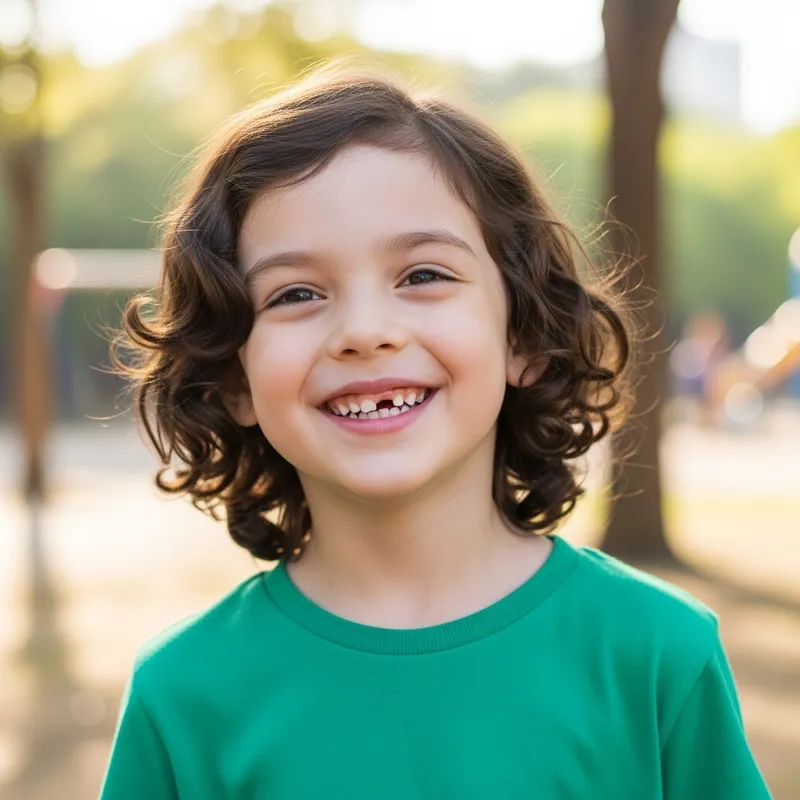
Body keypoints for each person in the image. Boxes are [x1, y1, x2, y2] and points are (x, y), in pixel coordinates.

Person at [100, 63, 771, 799]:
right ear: (233, 378)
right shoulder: (182, 696)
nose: (364, 331)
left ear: (524, 336)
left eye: (422, 276)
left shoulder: (657, 655)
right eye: (296, 293)